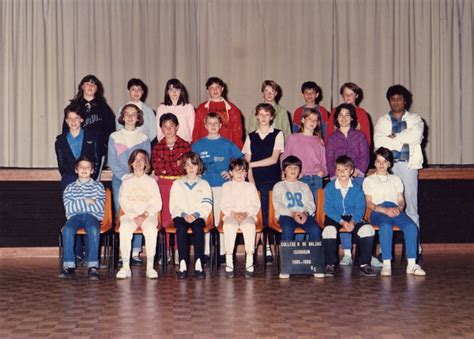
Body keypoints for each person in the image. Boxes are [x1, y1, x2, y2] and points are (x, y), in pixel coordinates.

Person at [363, 147, 426, 276]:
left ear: (389, 164)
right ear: (374, 163)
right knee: (386, 226)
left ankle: (412, 264)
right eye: (378, 161)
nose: (381, 164)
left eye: (384, 161)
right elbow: (369, 203)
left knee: (411, 227)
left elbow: (401, 200)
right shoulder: (368, 180)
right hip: (377, 211)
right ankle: (386, 264)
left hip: (394, 209)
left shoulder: (396, 179)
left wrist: (399, 208)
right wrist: (384, 210)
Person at [374, 85, 424, 245]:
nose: (396, 102)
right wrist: (403, 139)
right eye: (392, 99)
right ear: (389, 101)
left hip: (408, 166)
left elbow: (415, 137)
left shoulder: (415, 119)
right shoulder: (383, 121)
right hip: (387, 168)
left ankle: (414, 247)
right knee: (385, 203)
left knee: (410, 205)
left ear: (405, 101)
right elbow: (379, 143)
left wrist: (393, 137)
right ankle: (384, 248)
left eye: (399, 99)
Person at [192, 112, 243, 264]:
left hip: (223, 187)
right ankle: (205, 252)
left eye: (216, 123)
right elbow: (191, 163)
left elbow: (241, 161)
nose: (213, 126)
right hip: (204, 187)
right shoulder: (198, 145)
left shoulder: (227, 144)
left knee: (222, 218)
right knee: (205, 218)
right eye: (210, 123)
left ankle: (223, 252)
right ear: (205, 125)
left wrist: (231, 173)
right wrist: (197, 173)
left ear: (220, 125)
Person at [325, 103, 371, 266]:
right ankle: (346, 253)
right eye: (340, 115)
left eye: (347, 115)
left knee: (355, 215)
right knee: (341, 213)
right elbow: (329, 158)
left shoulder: (359, 136)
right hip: (338, 178)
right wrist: (333, 177)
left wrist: (357, 172)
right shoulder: (332, 138)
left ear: (352, 118)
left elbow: (364, 156)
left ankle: (364, 254)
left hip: (356, 178)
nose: (343, 118)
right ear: (336, 119)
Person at [108, 104, 151, 265]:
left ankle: (135, 252)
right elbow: (112, 161)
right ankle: (123, 252)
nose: (131, 117)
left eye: (134, 114)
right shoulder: (114, 136)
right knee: (123, 214)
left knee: (139, 209)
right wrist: (125, 176)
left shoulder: (144, 137)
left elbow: (146, 160)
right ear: (122, 117)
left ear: (138, 117)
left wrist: (135, 177)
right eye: (127, 114)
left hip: (138, 180)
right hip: (120, 181)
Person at [243, 103, 284, 263]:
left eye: (267, 114)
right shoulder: (251, 136)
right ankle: (251, 251)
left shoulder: (278, 134)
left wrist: (250, 165)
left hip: (271, 181)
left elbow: (274, 159)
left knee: (268, 216)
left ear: (272, 116)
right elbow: (247, 159)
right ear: (257, 117)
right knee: (255, 215)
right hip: (254, 181)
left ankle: (267, 248)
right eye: (261, 114)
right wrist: (251, 180)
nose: (264, 117)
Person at [322, 155, 376, 277]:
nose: (342, 172)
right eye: (339, 170)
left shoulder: (357, 187)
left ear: (351, 171)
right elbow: (328, 209)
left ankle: (364, 264)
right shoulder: (330, 187)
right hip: (335, 216)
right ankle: (330, 264)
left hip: (352, 216)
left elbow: (360, 208)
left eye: (345, 169)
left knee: (368, 230)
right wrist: (342, 221)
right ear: (335, 171)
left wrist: (353, 221)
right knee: (328, 230)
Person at [272, 156, 323, 279]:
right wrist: (292, 214)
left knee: (315, 230)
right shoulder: (279, 186)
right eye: (289, 167)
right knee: (288, 228)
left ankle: (315, 265)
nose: (293, 170)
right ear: (284, 170)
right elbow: (278, 205)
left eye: (296, 167)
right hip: (287, 215)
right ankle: (287, 266)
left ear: (300, 170)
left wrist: (305, 213)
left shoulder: (303, 186)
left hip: (303, 214)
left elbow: (311, 203)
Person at [116, 150, 162, 280]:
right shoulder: (126, 182)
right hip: (131, 216)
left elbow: (157, 203)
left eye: (141, 159)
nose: (138, 162)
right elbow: (123, 201)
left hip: (148, 216)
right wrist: (133, 216)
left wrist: (144, 214)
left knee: (151, 229)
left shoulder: (151, 182)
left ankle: (150, 267)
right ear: (131, 163)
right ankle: (125, 266)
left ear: (146, 163)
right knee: (124, 228)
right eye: (135, 160)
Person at [59, 156, 105, 280]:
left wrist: (78, 202)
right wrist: (86, 201)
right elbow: (69, 207)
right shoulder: (70, 188)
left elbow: (98, 206)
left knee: (93, 229)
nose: (84, 170)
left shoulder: (98, 186)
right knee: (67, 230)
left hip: (92, 216)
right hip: (75, 217)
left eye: (87, 167)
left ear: (92, 171)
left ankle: (93, 265)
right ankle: (69, 265)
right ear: (76, 170)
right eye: (81, 167)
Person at [169, 152, 213, 279]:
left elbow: (206, 203)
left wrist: (196, 215)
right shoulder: (177, 184)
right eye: (187, 165)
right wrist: (183, 214)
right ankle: (183, 265)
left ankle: (199, 264)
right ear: (184, 167)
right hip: (181, 216)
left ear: (199, 167)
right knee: (181, 229)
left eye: (194, 165)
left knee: (198, 229)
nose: (191, 168)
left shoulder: (204, 184)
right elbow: (174, 204)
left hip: (197, 216)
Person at [151, 113, 191, 238]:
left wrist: (171, 166)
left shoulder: (185, 146)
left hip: (181, 184)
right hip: (163, 185)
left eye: (171, 126)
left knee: (179, 216)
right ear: (161, 128)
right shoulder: (157, 147)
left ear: (177, 127)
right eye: (165, 126)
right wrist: (177, 164)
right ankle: (168, 250)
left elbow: (187, 168)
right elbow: (158, 168)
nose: (168, 129)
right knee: (166, 217)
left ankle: (180, 251)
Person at [220, 158, 260, 278]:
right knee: (229, 226)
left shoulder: (250, 186)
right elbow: (224, 204)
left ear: (246, 173)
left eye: (243, 171)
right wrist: (233, 214)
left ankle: (249, 259)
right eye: (237, 171)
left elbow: (255, 204)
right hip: (231, 215)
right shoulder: (226, 186)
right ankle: (229, 261)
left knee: (249, 226)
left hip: (247, 215)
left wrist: (247, 213)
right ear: (231, 173)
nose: (240, 174)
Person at [282, 107, 327, 201]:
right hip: (299, 177)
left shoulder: (319, 141)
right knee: (301, 208)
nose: (312, 122)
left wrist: (323, 172)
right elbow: (285, 158)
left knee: (316, 208)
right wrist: (289, 173)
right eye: (310, 119)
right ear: (303, 120)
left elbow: (324, 162)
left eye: (315, 120)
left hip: (316, 178)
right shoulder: (293, 138)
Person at [63, 74, 115, 155]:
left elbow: (111, 129)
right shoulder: (73, 106)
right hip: (77, 147)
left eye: (93, 84)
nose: (90, 86)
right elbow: (66, 129)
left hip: (97, 148)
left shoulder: (104, 107)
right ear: (82, 86)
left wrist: (105, 146)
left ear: (97, 88)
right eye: (87, 84)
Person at [55, 103, 101, 191]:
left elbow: (96, 160)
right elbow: (62, 166)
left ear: (81, 119)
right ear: (66, 121)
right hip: (69, 180)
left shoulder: (93, 137)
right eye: (70, 119)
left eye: (76, 118)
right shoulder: (60, 141)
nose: (73, 121)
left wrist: (90, 178)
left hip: (89, 179)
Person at [193, 77, 244, 148]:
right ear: (207, 90)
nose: (215, 90)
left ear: (222, 88)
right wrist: (196, 149)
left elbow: (237, 133)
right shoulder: (201, 108)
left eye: (217, 87)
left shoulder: (232, 109)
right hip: (206, 147)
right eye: (211, 88)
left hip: (226, 148)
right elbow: (196, 131)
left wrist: (237, 151)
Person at [115, 78, 157, 143]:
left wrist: (145, 142)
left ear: (142, 92)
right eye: (133, 89)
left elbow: (153, 131)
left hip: (143, 144)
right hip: (125, 143)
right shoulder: (121, 109)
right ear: (128, 91)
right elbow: (118, 128)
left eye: (139, 90)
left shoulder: (148, 110)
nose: (136, 92)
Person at [156, 78, 195, 143]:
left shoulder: (188, 107)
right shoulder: (162, 108)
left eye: (177, 89)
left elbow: (192, 128)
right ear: (167, 92)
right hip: (167, 143)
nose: (174, 92)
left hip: (185, 143)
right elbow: (159, 129)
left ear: (181, 91)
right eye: (171, 90)